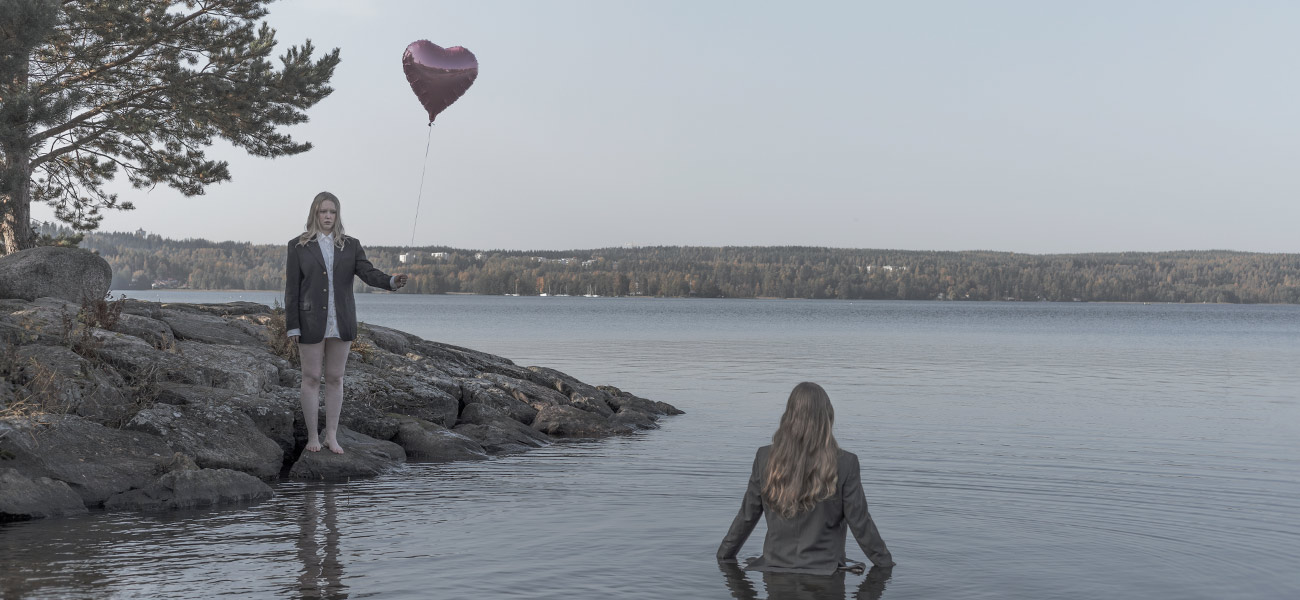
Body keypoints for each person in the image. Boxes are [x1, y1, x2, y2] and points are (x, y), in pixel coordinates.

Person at [717, 382, 895, 575]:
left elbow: (747, 517)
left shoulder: (764, 457)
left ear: (789, 416)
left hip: (775, 571)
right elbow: (861, 524)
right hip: (825, 575)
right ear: (827, 416)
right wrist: (887, 565)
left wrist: (723, 557)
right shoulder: (846, 463)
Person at [285, 191, 407, 454]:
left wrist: (390, 281)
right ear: (314, 214)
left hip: (341, 319)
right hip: (308, 320)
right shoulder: (297, 245)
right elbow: (291, 289)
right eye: (322, 212)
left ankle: (331, 436)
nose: (328, 216)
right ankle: (312, 437)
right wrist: (292, 325)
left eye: (332, 212)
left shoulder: (351, 245)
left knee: (335, 377)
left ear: (337, 215)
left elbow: (367, 273)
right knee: (310, 378)